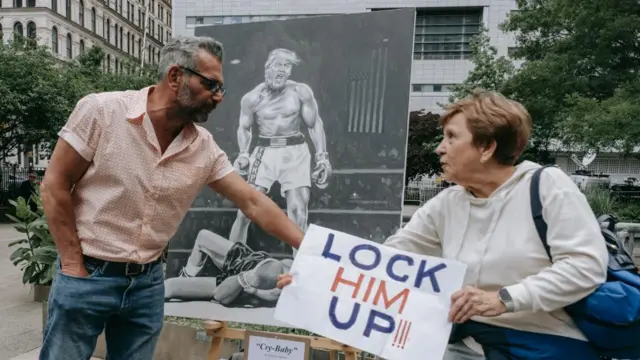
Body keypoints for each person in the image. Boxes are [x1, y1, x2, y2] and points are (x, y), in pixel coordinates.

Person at [277, 90, 609, 359]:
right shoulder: (447, 204)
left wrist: (503, 299)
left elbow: (585, 267)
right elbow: (388, 259)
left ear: (487, 147)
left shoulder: (548, 185)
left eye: (451, 137)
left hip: (543, 343)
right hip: (463, 343)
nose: (440, 147)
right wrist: (317, 279)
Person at [39, 36, 305, 360]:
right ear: (176, 76)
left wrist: (311, 249)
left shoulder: (203, 147)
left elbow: (252, 201)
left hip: (148, 286)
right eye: (211, 85)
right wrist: (71, 263)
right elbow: (54, 185)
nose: (219, 97)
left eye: (222, 88)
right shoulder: (102, 111)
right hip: (87, 274)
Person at [229, 48, 332, 252]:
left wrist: (322, 158)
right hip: (264, 152)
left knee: (298, 210)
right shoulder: (252, 98)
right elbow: (244, 128)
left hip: (296, 151)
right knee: (245, 211)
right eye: (279, 65)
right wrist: (243, 153)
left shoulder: (300, 91)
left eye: (287, 66)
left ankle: (299, 267)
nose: (282, 70)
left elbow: (314, 124)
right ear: (268, 66)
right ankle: (230, 261)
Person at [165, 229, 292, 307]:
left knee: (170, 286)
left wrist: (252, 287)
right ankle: (186, 276)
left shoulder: (283, 292)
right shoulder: (299, 265)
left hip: (242, 280)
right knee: (203, 236)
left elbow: (268, 293)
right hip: (249, 259)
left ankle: (183, 283)